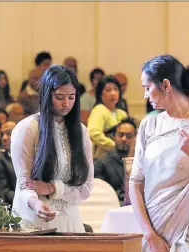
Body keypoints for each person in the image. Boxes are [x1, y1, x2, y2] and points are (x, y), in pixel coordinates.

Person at [129, 54, 189, 252]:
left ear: (166, 85)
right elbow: (135, 183)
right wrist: (149, 234)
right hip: (153, 233)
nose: (144, 95)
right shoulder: (148, 126)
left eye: (147, 87)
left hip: (188, 234)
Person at [11, 64, 94, 232]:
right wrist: (36, 203)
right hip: (34, 216)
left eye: (71, 97)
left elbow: (85, 189)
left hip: (70, 220)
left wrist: (52, 188)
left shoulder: (81, 131)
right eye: (60, 97)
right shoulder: (28, 128)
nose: (66, 103)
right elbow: (24, 182)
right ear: (47, 95)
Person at [93, 117, 137, 205]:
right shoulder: (101, 162)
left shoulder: (141, 163)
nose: (124, 139)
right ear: (114, 137)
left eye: (128, 136)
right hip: (112, 207)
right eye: (120, 135)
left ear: (135, 139)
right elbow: (100, 193)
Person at [87, 75, 128, 159]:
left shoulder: (122, 113)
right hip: (103, 158)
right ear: (100, 94)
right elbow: (93, 133)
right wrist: (114, 146)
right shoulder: (99, 110)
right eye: (108, 90)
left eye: (116, 89)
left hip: (120, 156)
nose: (113, 93)